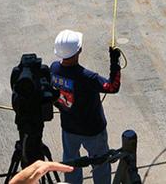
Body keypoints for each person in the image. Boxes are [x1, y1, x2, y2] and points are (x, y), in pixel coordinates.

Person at [49, 30, 122, 184]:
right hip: (93, 130)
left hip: (69, 128)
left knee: (70, 164)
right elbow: (112, 86)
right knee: (100, 163)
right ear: (79, 50)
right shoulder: (88, 77)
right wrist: (114, 61)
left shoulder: (53, 70)